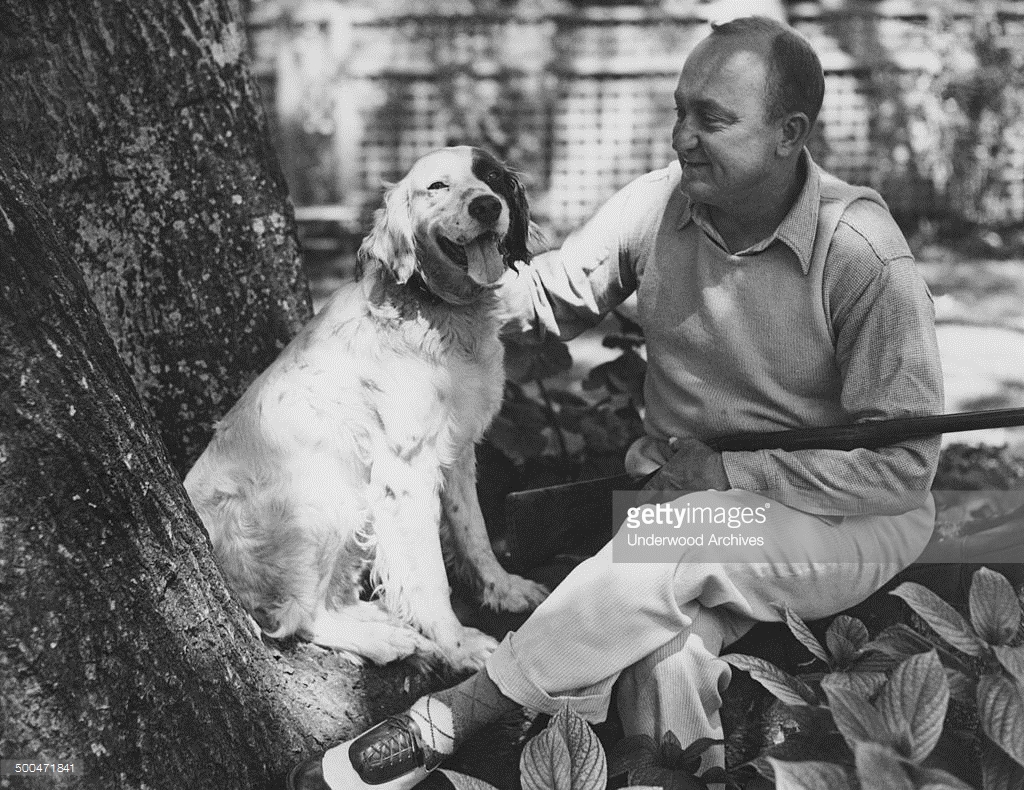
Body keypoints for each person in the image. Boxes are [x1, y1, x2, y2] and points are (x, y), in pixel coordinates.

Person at [285, 15, 943, 790]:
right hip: (695, 508)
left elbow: (902, 467)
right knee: (665, 651)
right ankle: (682, 773)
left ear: (788, 133)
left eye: (712, 119)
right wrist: (420, 273)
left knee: (678, 532)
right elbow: (546, 293)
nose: (682, 138)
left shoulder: (862, 252)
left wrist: (737, 477)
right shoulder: (662, 205)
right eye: (679, 110)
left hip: (848, 520)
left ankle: (453, 718)